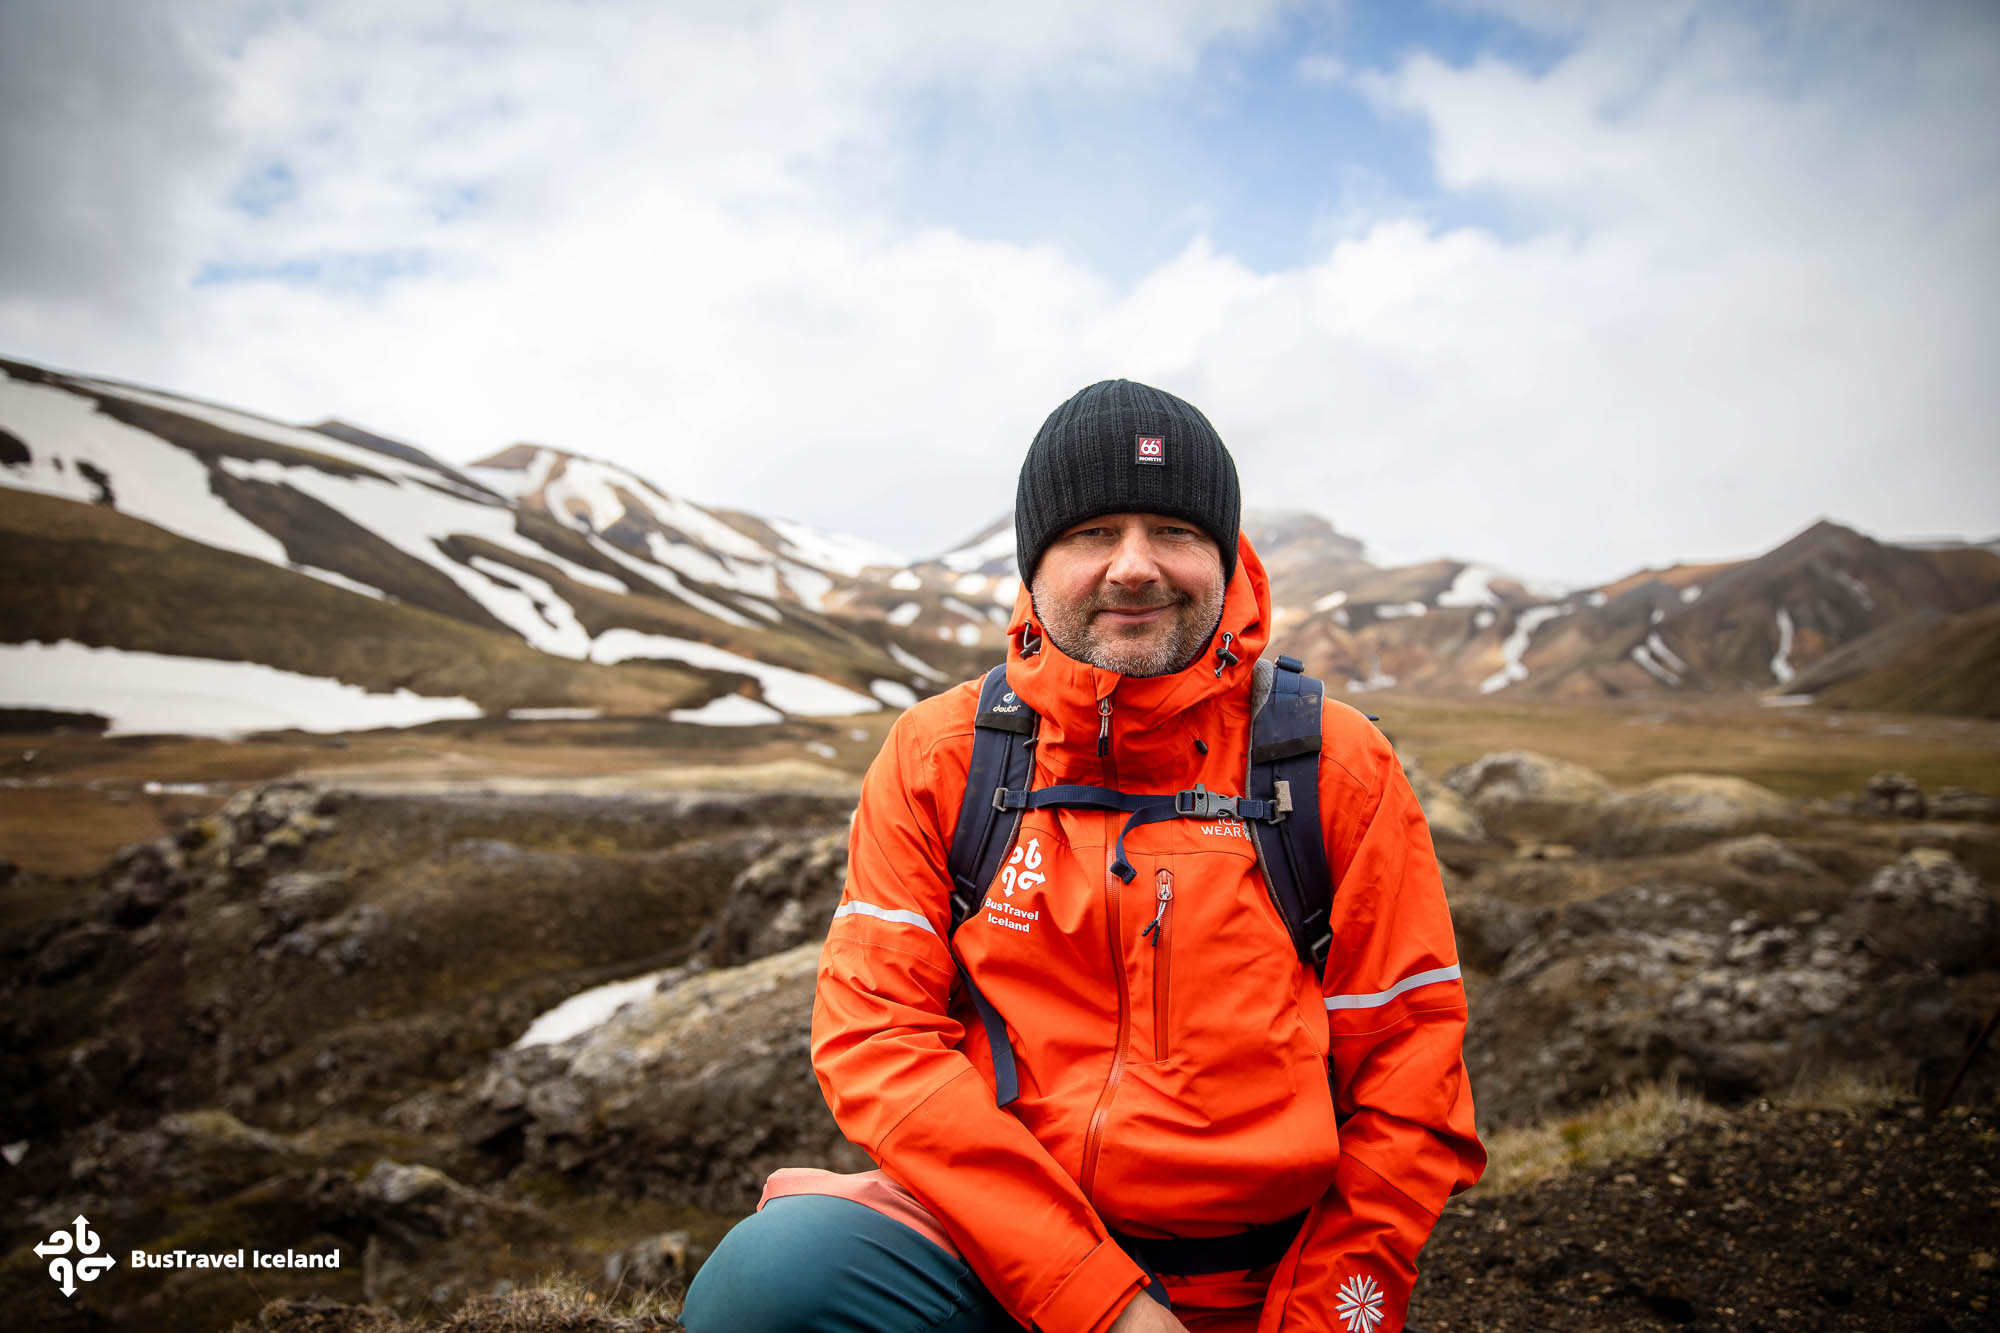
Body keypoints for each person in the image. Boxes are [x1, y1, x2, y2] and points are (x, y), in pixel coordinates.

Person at [682, 379, 1484, 1333]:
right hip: (996, 1257)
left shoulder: (1332, 764)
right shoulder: (944, 755)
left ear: (1225, 556)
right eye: (1095, 531)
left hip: (1257, 1283)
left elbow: (1411, 1079)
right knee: (771, 1285)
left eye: (1175, 532)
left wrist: (1328, 1317)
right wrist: (1100, 1306)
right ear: (1036, 562)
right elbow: (876, 1039)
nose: (1135, 567)